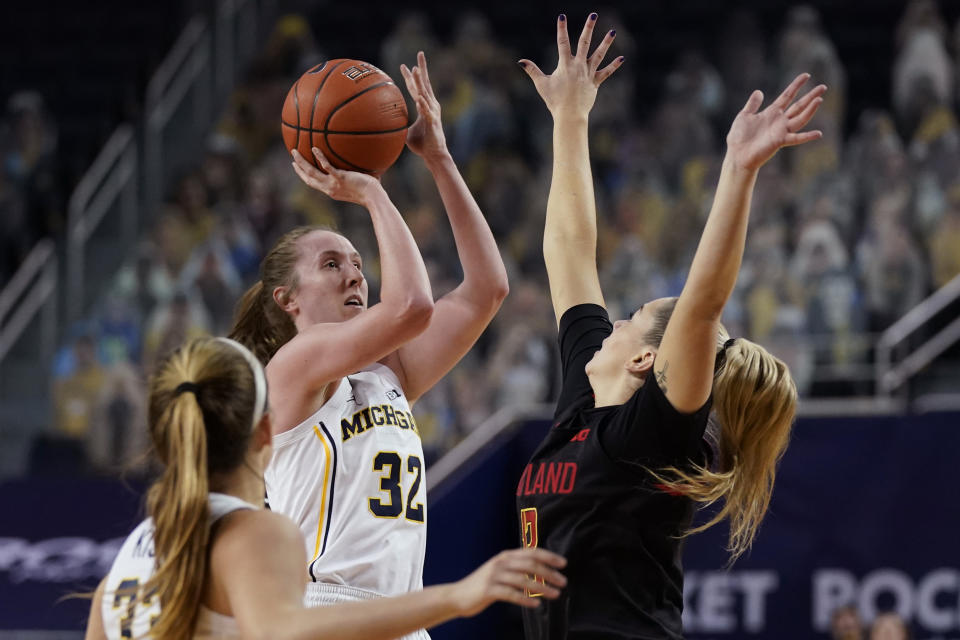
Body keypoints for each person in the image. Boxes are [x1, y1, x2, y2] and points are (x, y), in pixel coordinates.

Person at [515, 13, 824, 639]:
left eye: (630, 321)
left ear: (645, 364)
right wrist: (570, 120)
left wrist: (738, 170)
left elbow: (703, 303)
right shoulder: (583, 407)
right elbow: (569, 253)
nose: (613, 322)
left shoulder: (650, 438)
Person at [228, 52, 509, 622]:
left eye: (358, 261)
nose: (356, 273)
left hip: (397, 613)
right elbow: (411, 305)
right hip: (323, 608)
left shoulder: (387, 376)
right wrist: (373, 193)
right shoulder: (292, 365)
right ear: (289, 299)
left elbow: (486, 290)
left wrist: (439, 160)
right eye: (333, 265)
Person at [84, 337, 565, 640]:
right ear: (267, 432)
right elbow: (285, 632)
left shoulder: (133, 553)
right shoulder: (254, 534)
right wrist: (458, 596)